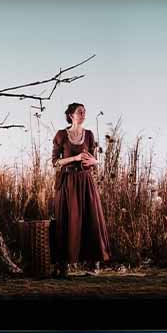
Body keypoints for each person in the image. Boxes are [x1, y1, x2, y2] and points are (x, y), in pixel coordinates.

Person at [50, 102, 111, 277]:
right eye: (80, 112)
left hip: (85, 181)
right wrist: (75, 157)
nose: (83, 114)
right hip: (68, 182)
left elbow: (94, 159)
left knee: (91, 219)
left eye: (84, 112)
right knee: (66, 220)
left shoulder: (89, 135)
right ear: (71, 115)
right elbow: (55, 162)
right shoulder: (62, 135)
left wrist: (95, 162)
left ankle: (93, 264)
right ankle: (63, 264)